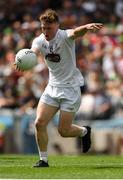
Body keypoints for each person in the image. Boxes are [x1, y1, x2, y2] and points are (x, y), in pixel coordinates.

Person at [15, 9, 103, 167]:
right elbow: (32, 53)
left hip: (70, 89)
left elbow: (76, 32)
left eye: (49, 28)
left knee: (64, 131)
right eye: (43, 27)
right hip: (52, 87)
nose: (45, 31)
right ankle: (43, 160)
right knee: (39, 123)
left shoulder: (64, 36)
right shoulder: (39, 41)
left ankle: (84, 131)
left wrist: (86, 26)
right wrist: (23, 60)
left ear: (57, 26)